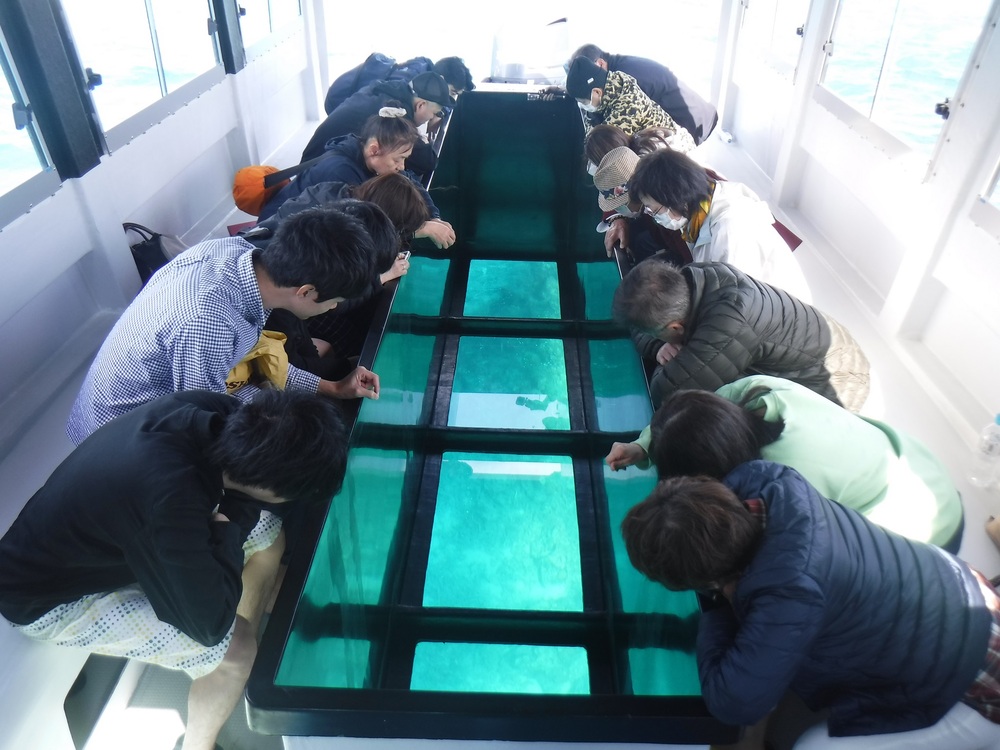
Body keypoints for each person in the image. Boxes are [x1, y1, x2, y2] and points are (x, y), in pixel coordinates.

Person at [0, 389, 351, 750]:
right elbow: (209, 629)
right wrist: (231, 522)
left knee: (269, 537)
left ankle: (243, 608)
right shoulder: (170, 498)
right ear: (268, 485)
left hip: (103, 540)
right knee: (236, 651)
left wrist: (232, 519)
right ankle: (198, 744)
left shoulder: (218, 412)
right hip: (45, 599)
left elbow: (227, 505)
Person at [620, 463, 1000, 749]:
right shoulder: (765, 481)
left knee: (811, 746)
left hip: (979, 690)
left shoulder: (790, 593)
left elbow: (734, 703)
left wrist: (715, 605)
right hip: (968, 590)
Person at [66, 206, 384, 445]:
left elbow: (256, 360)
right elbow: (204, 422)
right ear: (305, 292)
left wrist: (333, 387)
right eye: (334, 301)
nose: (333, 308)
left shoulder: (235, 255)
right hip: (117, 438)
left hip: (162, 399)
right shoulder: (209, 322)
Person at [605, 375, 964, 552]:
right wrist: (643, 445)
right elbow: (695, 412)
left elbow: (796, 559)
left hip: (924, 533)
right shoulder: (762, 390)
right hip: (925, 467)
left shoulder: (782, 484)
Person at [610, 260, 870, 410]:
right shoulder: (695, 278)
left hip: (837, 377)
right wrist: (658, 346)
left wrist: (670, 355)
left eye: (660, 334)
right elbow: (638, 327)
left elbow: (665, 393)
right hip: (818, 341)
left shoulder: (728, 324)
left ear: (676, 328)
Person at [260, 108, 454, 249]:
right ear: (374, 150)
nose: (402, 166)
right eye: (398, 159)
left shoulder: (373, 157)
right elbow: (363, 230)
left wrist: (434, 217)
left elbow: (409, 180)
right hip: (277, 237)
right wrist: (419, 229)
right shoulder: (341, 174)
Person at [629, 147, 809, 299]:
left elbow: (736, 303)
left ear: (675, 198)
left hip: (773, 317)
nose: (653, 216)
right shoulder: (701, 207)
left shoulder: (731, 231)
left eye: (654, 210)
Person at [300, 70, 455, 178]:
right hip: (322, 172)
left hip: (314, 161)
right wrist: (424, 140)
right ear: (421, 105)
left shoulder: (390, 89)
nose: (433, 117)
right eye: (436, 113)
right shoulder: (395, 113)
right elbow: (427, 163)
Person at [570, 44, 718, 145]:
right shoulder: (617, 73)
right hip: (688, 118)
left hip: (694, 124)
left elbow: (612, 136)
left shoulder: (629, 79)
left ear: (601, 63)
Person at [565, 56, 696, 152]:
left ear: (597, 92)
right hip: (655, 144)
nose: (582, 105)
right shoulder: (613, 82)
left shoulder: (627, 106)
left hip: (676, 152)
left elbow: (602, 146)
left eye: (584, 101)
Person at [592, 146, 692, 266]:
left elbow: (690, 256)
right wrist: (617, 218)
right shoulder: (646, 184)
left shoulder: (668, 211)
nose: (617, 209)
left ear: (635, 196)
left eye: (620, 206)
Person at [324, 54, 474, 114]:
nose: (450, 98)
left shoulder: (425, 71)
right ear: (441, 79)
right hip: (339, 100)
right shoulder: (408, 85)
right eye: (452, 92)